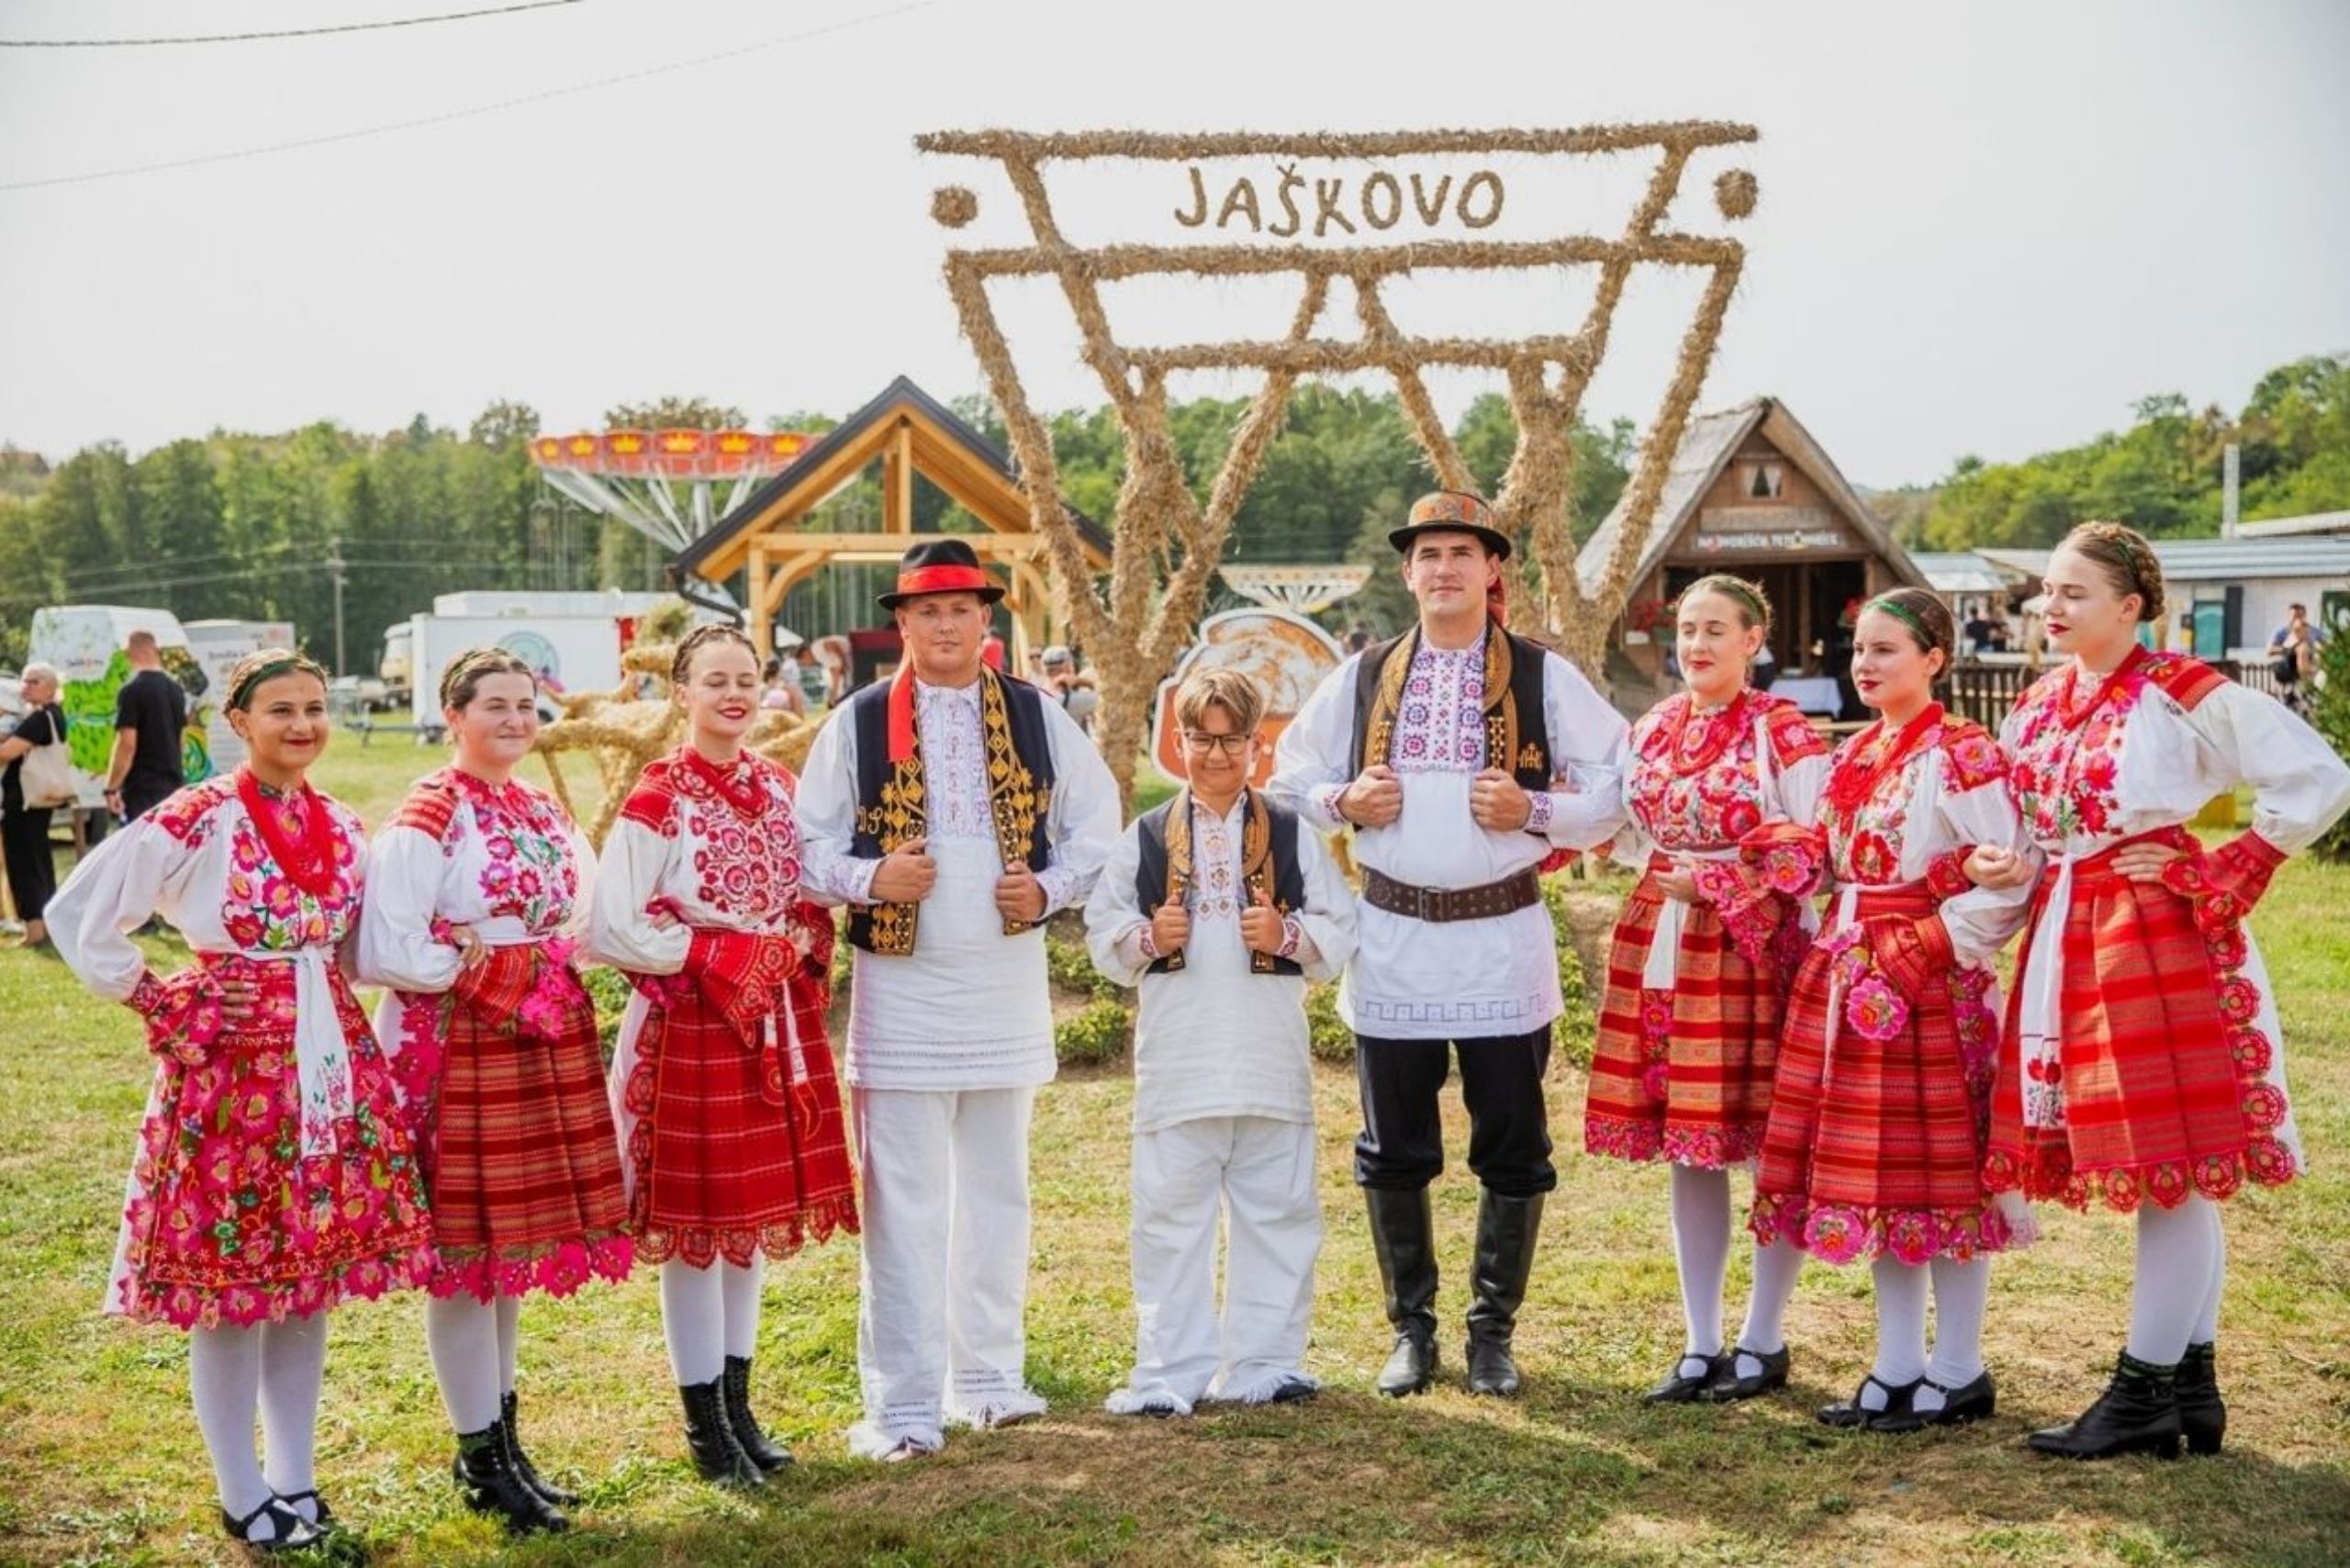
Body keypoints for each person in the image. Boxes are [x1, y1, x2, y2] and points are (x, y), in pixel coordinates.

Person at [1973, 522, 2350, 1459]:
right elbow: (2034, 826)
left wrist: (2232, 860)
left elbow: (2316, 775)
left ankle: (2143, 1390)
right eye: (2047, 591)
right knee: (2169, 1170)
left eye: (2073, 593)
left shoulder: (2182, 691)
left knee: (2169, 1164)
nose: (2050, 607)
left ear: (2131, 606)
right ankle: (2188, 1387)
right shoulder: (2040, 702)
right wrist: (2006, 864)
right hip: (2070, 928)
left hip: (2153, 933)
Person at [47, 649, 435, 1551]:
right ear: (238, 722)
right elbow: (79, 912)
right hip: (232, 1078)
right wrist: (160, 996)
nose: (302, 725)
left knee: (304, 1278)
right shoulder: (198, 814)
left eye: (315, 707)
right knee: (232, 1286)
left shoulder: (340, 823)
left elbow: (358, 947)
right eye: (281, 710)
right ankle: (240, 1487)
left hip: (327, 1068)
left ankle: (294, 1475)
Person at [1270, 490, 1629, 1399]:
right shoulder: (1363, 675)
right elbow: (1288, 778)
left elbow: (1617, 784)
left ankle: (1491, 1332)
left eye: (1462, 553)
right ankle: (1412, 1330)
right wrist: (1344, 800)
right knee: (1393, 1148)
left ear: (1492, 568)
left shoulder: (1542, 675)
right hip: (1393, 941)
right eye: (1428, 554)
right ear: (1407, 572)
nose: (1444, 569)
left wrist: (1534, 809)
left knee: (1512, 1145)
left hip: (1502, 941)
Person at [797, 538, 1121, 1461]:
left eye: (961, 610)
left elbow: (1096, 827)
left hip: (1004, 981)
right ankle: (902, 1403)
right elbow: (806, 849)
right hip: (902, 988)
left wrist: (1047, 890)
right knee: (902, 1198)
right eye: (928, 611)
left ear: (986, 620)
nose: (945, 626)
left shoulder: (1037, 713)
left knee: (996, 1189)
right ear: (901, 622)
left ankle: (988, 1379)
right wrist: (872, 879)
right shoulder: (857, 721)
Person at [1746, 589, 2037, 1435]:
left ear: (1934, 659)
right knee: (1883, 1178)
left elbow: (2012, 876)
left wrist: (1930, 944)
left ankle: (1960, 1368)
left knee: (1946, 1177)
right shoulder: (1860, 750)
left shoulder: (1965, 752)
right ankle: (1899, 1362)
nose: (1865, 665)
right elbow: (1841, 863)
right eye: (1859, 650)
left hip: (1929, 984)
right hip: (1852, 973)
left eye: (1885, 650)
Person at [356, 650, 633, 1533]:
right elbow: (386, 947)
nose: (516, 720)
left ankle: (503, 1446)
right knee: (466, 1260)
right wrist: (479, 963)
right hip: (455, 1044)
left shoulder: (538, 806)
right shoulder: (429, 812)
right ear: (455, 716)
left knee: (505, 1255)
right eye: (496, 706)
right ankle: (481, 1461)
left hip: (532, 1038)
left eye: (526, 706)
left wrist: (535, 961)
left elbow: (583, 916)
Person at [589, 624, 860, 1487]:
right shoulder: (658, 797)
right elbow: (613, 923)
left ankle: (740, 1409)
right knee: (698, 1231)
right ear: (682, 694)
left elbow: (806, 888)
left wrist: (799, 937)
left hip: (772, 1019)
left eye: (746, 679)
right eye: (715, 681)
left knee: (747, 1226)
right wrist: (725, 956)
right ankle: (704, 1424)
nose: (734, 695)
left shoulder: (778, 786)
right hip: (692, 1026)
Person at [1582, 577, 1830, 1406]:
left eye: (1716, 629)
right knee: (1690, 1147)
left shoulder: (1782, 731)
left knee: (1764, 1143)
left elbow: (1818, 853)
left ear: (1753, 639)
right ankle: (1700, 1340)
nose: (1697, 645)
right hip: (1664, 940)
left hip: (1749, 950)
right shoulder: (1655, 725)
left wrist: (1724, 887)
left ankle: (1764, 1336)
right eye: (1688, 629)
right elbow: (1621, 829)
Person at [1085, 666, 1358, 1417]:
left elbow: (1340, 930)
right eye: (1200, 739)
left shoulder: (1292, 834)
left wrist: (1285, 934)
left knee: (1278, 1214)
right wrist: (1150, 936)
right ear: (1178, 743)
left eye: (1231, 739)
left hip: (1268, 1056)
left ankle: (1264, 1365)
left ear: (1256, 746)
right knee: (1170, 1220)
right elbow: (1104, 934)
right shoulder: (1146, 836)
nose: (1215, 754)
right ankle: (1169, 1371)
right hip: (1180, 1058)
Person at [1, 662, 67, 946]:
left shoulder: (39, 718)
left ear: (51, 688)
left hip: (25, 802)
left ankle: (34, 929)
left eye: (34, 682)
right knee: (39, 861)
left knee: (23, 863)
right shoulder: (53, 715)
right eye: (25, 681)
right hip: (39, 800)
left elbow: (6, 752)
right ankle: (47, 923)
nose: (26, 687)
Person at [104, 628, 189, 824]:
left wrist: (111, 787)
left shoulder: (132, 691)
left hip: (142, 788)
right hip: (173, 785)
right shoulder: (176, 690)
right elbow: (181, 740)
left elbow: (127, 745)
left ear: (131, 652)